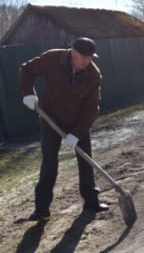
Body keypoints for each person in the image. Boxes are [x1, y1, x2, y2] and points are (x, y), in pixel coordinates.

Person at [19, 37, 109, 221]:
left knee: (86, 162)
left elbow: (92, 108)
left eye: (90, 58)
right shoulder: (52, 58)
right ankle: (41, 209)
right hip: (50, 120)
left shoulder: (93, 75)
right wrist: (28, 93)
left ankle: (91, 202)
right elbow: (26, 70)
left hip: (78, 123)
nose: (86, 62)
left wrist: (76, 134)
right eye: (83, 57)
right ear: (72, 52)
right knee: (49, 164)